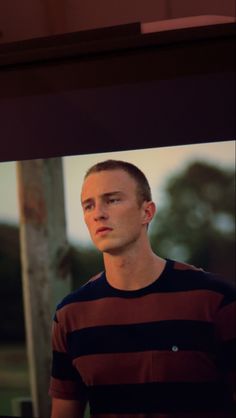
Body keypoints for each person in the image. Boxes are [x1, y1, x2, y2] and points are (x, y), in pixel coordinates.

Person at [49, 159, 236, 418]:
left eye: (112, 200)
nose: (98, 213)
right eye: (88, 205)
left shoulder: (214, 299)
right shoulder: (70, 314)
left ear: (146, 212)